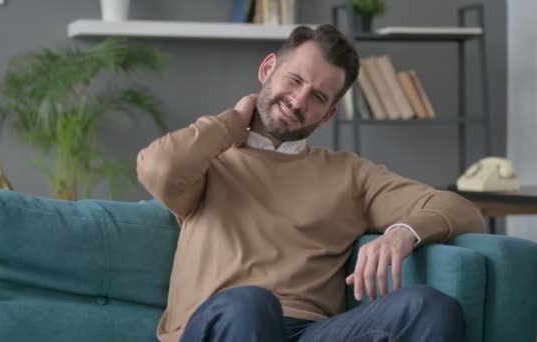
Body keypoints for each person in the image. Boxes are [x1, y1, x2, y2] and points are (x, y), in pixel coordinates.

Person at [137, 24, 484, 342]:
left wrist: (403, 233)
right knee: (251, 304)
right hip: (225, 322)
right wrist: (233, 122)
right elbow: (159, 168)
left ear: (328, 115)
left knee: (429, 307)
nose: (299, 101)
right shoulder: (209, 160)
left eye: (318, 97)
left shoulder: (351, 175)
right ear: (267, 69)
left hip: (311, 333)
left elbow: (462, 211)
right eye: (294, 79)